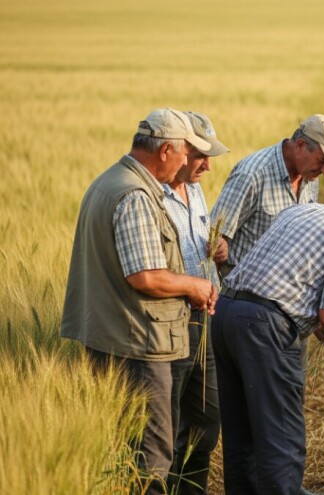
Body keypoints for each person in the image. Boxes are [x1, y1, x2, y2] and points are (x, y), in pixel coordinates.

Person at [61, 108, 219, 494]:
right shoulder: (135, 195)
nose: (188, 163)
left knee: (140, 452)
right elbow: (145, 276)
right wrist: (194, 286)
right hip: (139, 342)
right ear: (165, 151)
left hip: (122, 335)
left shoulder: (110, 181)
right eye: (186, 153)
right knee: (151, 460)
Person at [211, 187, 324, 494]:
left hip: (225, 312)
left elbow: (286, 279)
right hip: (263, 329)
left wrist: (313, 323)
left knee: (241, 433)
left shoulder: (305, 211)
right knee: (280, 436)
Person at [211, 113, 324, 385]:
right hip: (250, 312)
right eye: (323, 161)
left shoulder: (310, 178)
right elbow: (216, 239)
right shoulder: (252, 174)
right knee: (259, 395)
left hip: (292, 312)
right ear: (300, 145)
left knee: (291, 392)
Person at [162, 111, 229, 495]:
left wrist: (218, 248)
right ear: (179, 149)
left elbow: (199, 245)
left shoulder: (196, 188)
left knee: (207, 421)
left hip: (206, 319)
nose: (207, 165)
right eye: (200, 155)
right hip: (171, 323)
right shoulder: (152, 195)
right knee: (167, 425)